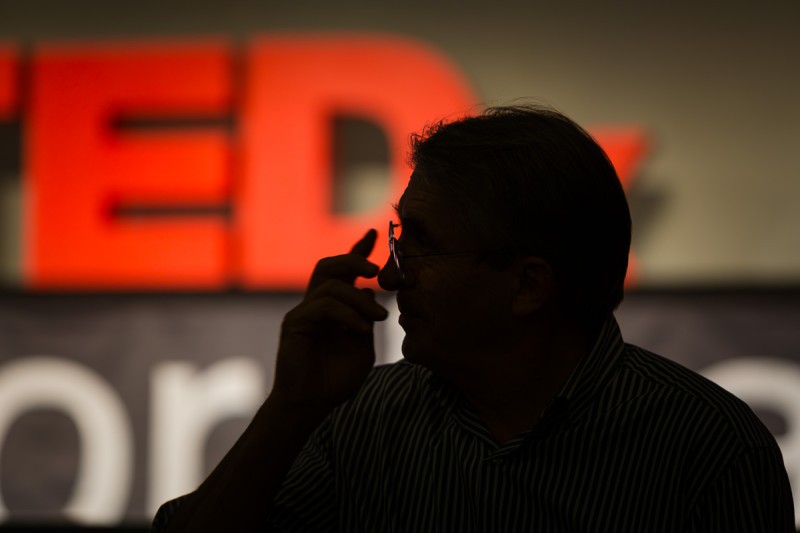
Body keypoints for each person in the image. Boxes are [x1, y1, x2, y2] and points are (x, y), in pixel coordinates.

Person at [153, 105, 795, 532]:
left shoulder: (708, 448)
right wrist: (291, 407)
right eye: (399, 237)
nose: (391, 273)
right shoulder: (360, 418)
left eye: (422, 244)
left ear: (527, 285)